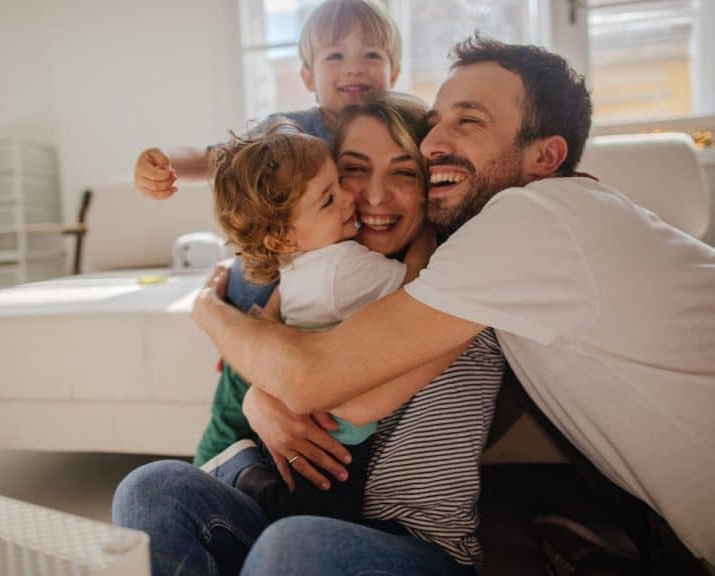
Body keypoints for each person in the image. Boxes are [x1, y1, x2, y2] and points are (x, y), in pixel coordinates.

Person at [192, 35, 715, 576]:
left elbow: (323, 384)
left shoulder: (525, 223)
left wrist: (208, 312)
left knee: (292, 547)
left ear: (546, 156)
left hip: (418, 537)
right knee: (158, 488)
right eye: (436, 122)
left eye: (468, 121)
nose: (433, 143)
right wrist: (258, 389)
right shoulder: (515, 247)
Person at [113, 92, 505, 576]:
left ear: (431, 183)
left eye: (404, 172)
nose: (371, 197)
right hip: (295, 514)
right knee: (149, 486)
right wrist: (252, 380)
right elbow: (273, 349)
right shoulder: (319, 273)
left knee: (292, 546)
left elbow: (333, 389)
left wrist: (220, 324)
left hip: (416, 548)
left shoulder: (459, 281)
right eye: (351, 173)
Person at [133, 0, 404, 466]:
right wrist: (167, 165)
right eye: (335, 56)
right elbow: (217, 156)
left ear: (395, 72)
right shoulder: (289, 132)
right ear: (306, 76)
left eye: (372, 56)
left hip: (331, 305)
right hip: (263, 295)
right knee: (236, 406)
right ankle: (219, 461)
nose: (354, 68)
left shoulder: (401, 128)